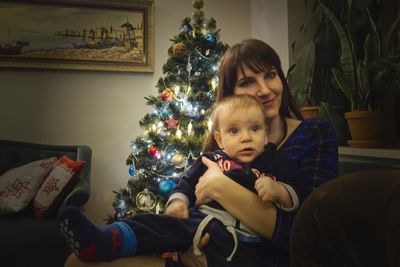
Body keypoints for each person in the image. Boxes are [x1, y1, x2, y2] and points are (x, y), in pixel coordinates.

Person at [63, 38, 339, 267]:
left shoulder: (313, 135)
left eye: (270, 75)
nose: (265, 90)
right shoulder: (220, 152)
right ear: (231, 95)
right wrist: (187, 249)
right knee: (77, 263)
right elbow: (188, 204)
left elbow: (313, 234)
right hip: (204, 252)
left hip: (258, 259)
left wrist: (221, 187)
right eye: (248, 82)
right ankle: (103, 240)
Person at [59, 94, 298, 266]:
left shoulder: (274, 162)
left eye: (254, 129)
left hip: (244, 243)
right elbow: (187, 182)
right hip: (197, 224)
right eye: (234, 131)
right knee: (155, 225)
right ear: (220, 139)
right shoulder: (211, 158)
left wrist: (278, 190)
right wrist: (178, 201)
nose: (246, 137)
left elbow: (295, 198)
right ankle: (107, 240)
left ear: (266, 135)